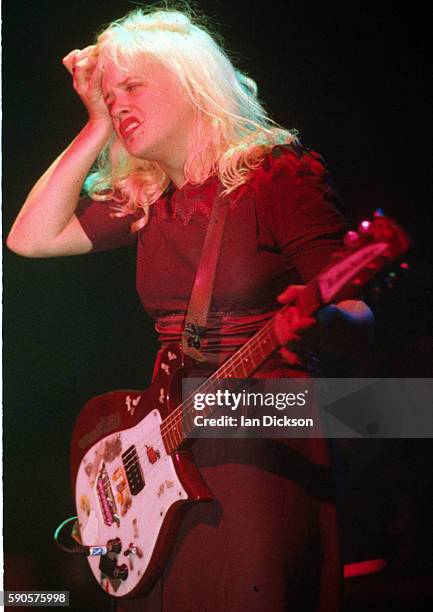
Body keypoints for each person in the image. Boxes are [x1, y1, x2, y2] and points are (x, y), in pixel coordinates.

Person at [7, 6, 373, 611]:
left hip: (261, 428)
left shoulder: (276, 174)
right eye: (109, 93)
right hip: (166, 441)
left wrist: (325, 321)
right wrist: (95, 123)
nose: (119, 102)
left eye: (132, 87)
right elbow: (28, 238)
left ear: (190, 83)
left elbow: (357, 310)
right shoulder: (149, 195)